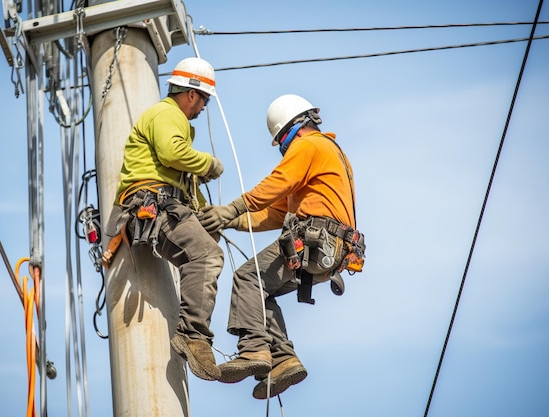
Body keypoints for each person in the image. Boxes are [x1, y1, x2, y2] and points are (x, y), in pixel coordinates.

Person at [199, 94, 365, 398]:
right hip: (332, 253)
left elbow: (278, 182)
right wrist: (229, 220)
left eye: (283, 142)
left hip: (315, 239)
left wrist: (234, 207)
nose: (285, 150)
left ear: (294, 129)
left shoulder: (308, 145)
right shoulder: (328, 153)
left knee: (248, 277)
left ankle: (253, 351)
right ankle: (283, 359)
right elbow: (275, 212)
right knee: (263, 293)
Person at [104, 57, 225, 381]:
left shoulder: (170, 120)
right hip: (155, 203)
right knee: (206, 256)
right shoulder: (167, 114)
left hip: (161, 205)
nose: (202, 108)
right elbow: (172, 153)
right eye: (204, 101)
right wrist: (209, 164)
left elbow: (184, 186)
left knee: (203, 254)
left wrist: (210, 218)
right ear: (191, 94)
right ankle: (192, 335)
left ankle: (194, 334)